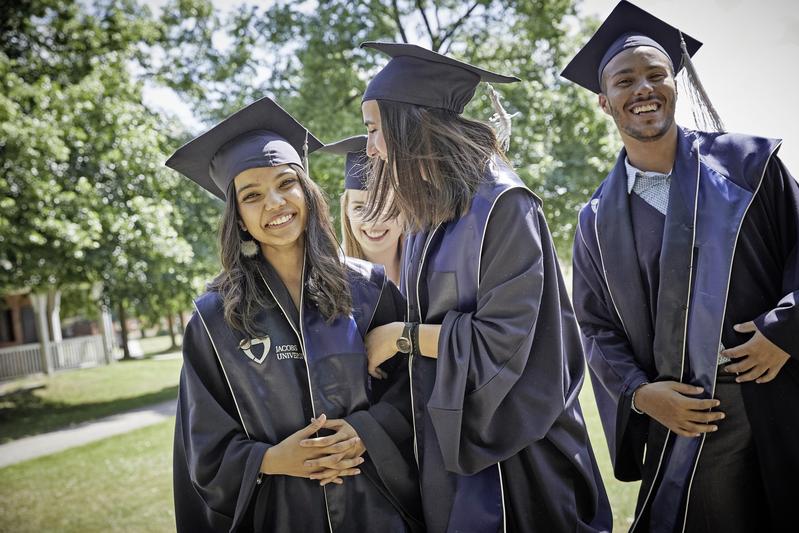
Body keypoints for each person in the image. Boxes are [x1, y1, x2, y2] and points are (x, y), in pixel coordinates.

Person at [562, 2, 799, 532]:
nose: (643, 89)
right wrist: (640, 394)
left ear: (675, 83)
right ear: (605, 102)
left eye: (656, 74)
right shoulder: (597, 221)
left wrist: (785, 329)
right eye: (625, 81)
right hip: (693, 421)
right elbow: (595, 326)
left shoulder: (748, 165)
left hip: (781, 392)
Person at [360, 41, 612, 533]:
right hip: (452, 443)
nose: (369, 147)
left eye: (374, 129)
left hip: (520, 452)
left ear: (414, 124)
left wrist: (400, 336)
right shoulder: (428, 214)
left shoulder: (503, 206)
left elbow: (504, 341)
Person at [165, 97, 422, 532]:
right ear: (239, 218)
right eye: (252, 195)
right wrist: (270, 459)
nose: (275, 202)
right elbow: (203, 446)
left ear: (307, 191)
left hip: (377, 510)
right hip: (283, 515)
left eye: (286, 183)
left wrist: (366, 430)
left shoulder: (369, 289)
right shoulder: (214, 321)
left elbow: (416, 390)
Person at [321, 135, 404, 284]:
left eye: (384, 204)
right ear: (346, 210)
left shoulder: (427, 274)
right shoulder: (331, 282)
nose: (372, 219)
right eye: (359, 207)